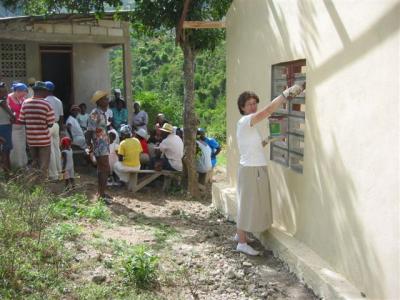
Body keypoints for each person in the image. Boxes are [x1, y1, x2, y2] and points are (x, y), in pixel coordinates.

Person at [234, 84, 304, 256]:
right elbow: (267, 112)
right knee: (246, 205)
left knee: (246, 203)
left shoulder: (249, 125)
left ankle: (240, 235)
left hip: (253, 167)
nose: (253, 106)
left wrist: (271, 139)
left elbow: (256, 146)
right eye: (249, 104)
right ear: (242, 107)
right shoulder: (245, 121)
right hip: (251, 169)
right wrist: (286, 94)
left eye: (254, 103)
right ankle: (241, 243)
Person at [19, 81, 55, 177]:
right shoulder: (47, 104)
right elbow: (51, 124)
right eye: (45, 91)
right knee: (44, 166)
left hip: (31, 140)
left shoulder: (25, 103)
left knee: (35, 163)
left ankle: (35, 187)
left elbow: (22, 121)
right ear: (42, 91)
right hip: (44, 141)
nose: (46, 93)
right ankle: (42, 188)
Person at [85, 90, 112, 202]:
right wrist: (89, 145)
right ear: (99, 101)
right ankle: (101, 194)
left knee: (102, 169)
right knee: (105, 169)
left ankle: (101, 192)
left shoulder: (101, 113)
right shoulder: (95, 113)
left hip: (103, 145)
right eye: (105, 98)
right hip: (99, 145)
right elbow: (89, 131)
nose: (107, 100)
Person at [44, 81, 64, 181]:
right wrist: (60, 129)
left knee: (50, 150)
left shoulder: (44, 100)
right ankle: (60, 173)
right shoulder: (58, 101)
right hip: (56, 125)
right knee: (57, 149)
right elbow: (61, 117)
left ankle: (53, 175)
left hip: (48, 125)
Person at [7, 82, 28, 168]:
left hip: (22, 126)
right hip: (13, 127)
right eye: (21, 94)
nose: (23, 96)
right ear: (17, 91)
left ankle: (23, 164)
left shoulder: (22, 99)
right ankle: (16, 165)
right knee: (15, 146)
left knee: (22, 146)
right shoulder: (8, 98)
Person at [0, 82, 15, 173]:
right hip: (3, 128)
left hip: (6, 127)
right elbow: (12, 115)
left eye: (6, 91)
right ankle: (8, 173)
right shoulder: (2, 102)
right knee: (5, 152)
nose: (6, 93)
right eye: (3, 92)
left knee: (6, 151)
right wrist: (13, 116)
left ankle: (8, 172)